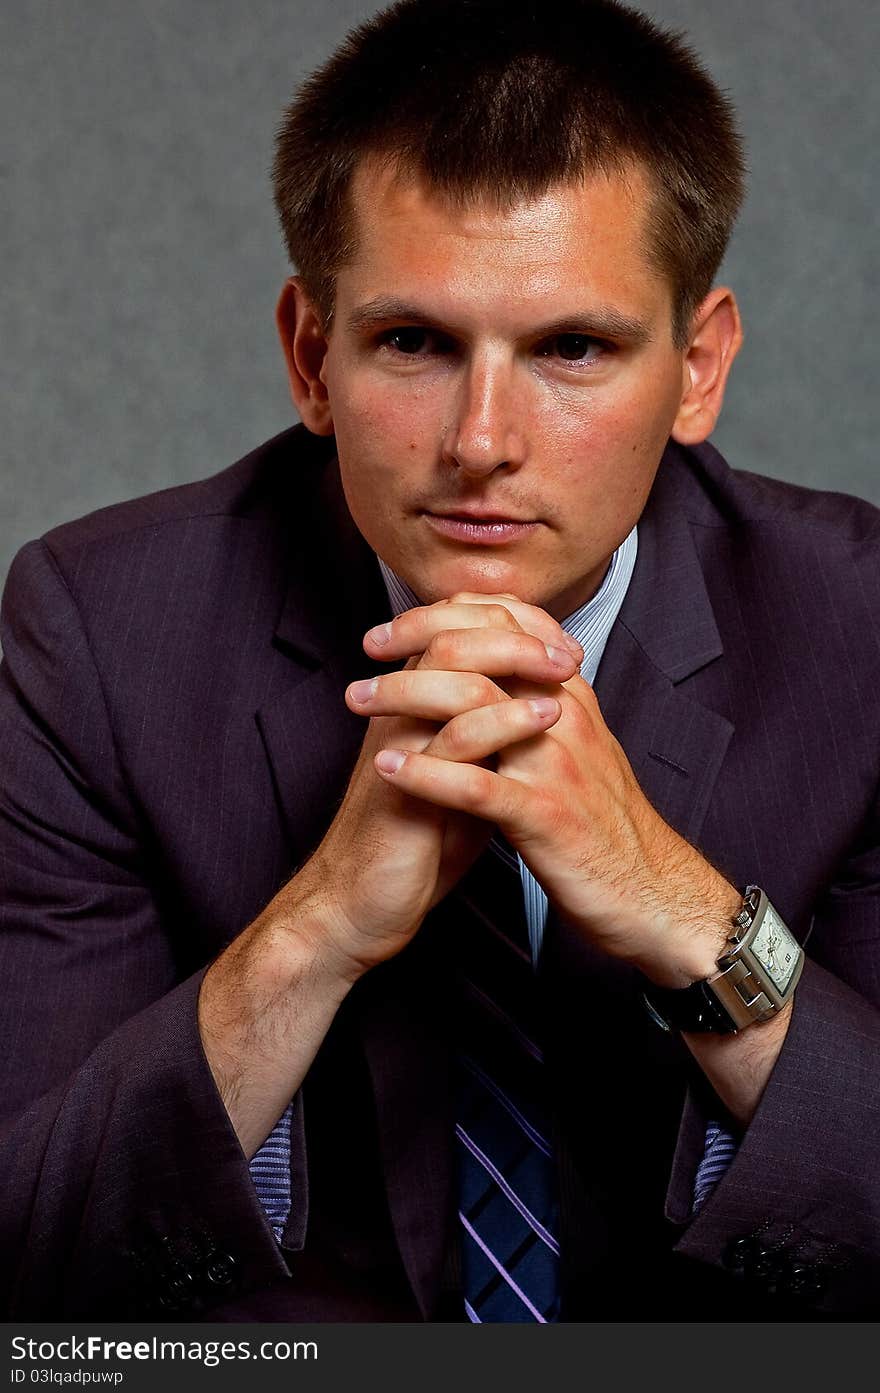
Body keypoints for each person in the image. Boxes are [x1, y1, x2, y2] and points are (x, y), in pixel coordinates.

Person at [1, 0, 878, 1321]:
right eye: (414, 343)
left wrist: (682, 913)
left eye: (571, 348)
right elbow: (33, 1255)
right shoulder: (101, 633)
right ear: (311, 355)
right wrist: (319, 929)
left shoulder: (858, 632)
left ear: (697, 368)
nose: (481, 440)